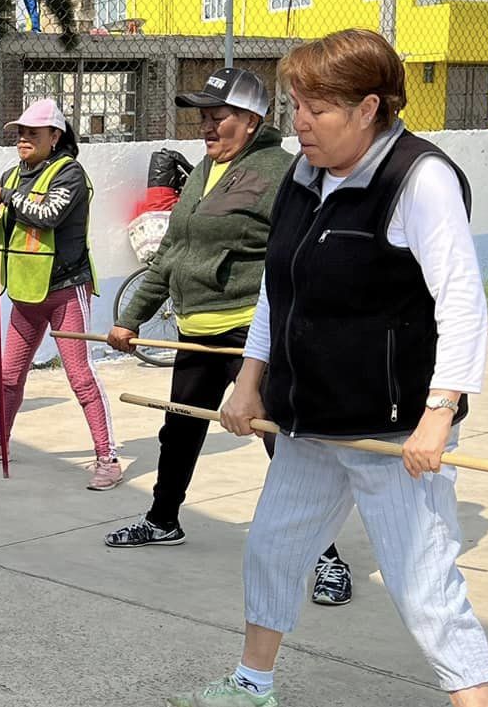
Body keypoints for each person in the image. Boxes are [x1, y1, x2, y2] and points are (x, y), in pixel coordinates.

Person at [163, 29, 488, 707]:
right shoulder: (304, 174)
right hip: (310, 417)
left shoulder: (420, 180)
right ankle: (254, 686)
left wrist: (439, 415)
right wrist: (252, 381)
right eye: (296, 104)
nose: (298, 122)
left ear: (370, 107)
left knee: (425, 590)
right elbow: (280, 285)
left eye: (317, 107)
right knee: (273, 546)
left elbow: (461, 303)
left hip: (389, 426)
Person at [103, 68, 354, 607]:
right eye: (203, 118)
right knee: (181, 428)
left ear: (252, 120)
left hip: (250, 331)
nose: (207, 128)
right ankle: (163, 519)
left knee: (277, 441)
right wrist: (133, 317)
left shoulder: (282, 173)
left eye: (219, 118)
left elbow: (301, 252)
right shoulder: (202, 173)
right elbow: (172, 252)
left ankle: (326, 557)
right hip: (196, 329)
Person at [0, 99, 123, 489]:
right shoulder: (12, 175)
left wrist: (6, 197)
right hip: (26, 291)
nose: (23, 139)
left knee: (80, 377)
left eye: (33, 132)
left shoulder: (70, 174)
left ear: (55, 136)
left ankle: (107, 457)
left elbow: (48, 215)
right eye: (20, 132)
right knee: (10, 375)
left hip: (66, 290)